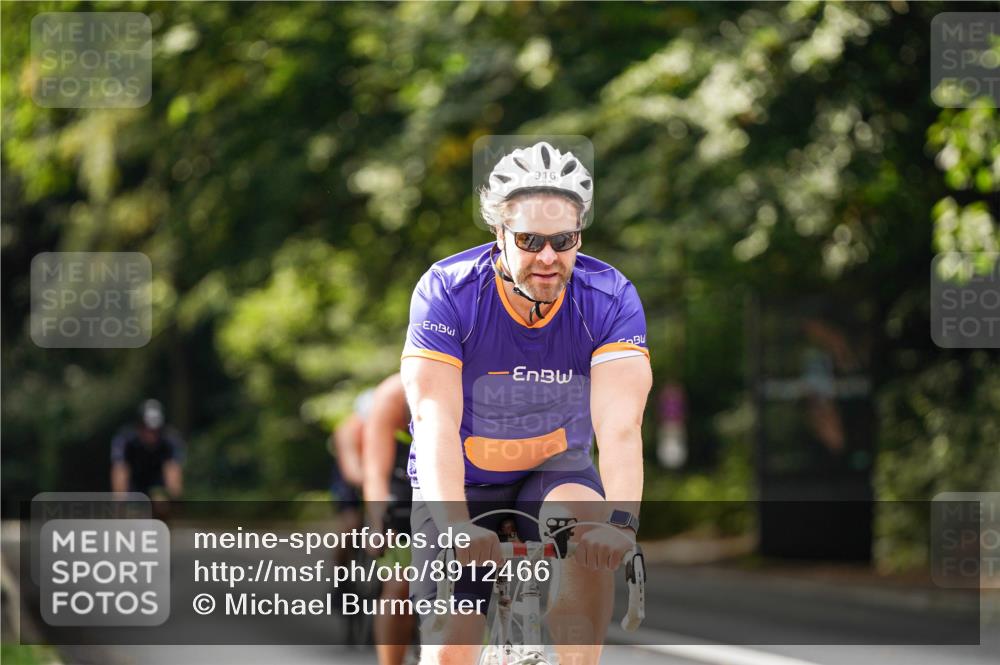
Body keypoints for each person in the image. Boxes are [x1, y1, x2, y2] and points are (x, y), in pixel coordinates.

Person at [400, 141, 652, 665]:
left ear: (579, 235)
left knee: (586, 518)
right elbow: (433, 417)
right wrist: (455, 526)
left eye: (563, 239)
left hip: (551, 468)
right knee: (451, 651)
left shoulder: (608, 297)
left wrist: (621, 522)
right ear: (498, 233)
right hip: (462, 476)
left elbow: (621, 423)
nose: (546, 256)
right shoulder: (448, 291)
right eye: (529, 239)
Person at [361, 373, 416, 665]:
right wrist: (377, 522)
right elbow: (375, 472)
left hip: (458, 469)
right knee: (400, 581)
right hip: (402, 474)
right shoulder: (392, 394)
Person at [111, 399, 184, 517]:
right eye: (147, 429)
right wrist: (119, 501)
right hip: (133, 485)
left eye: (155, 430)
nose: (151, 434)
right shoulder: (125, 440)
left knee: (161, 503)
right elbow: (120, 470)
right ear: (139, 426)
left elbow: (173, 471)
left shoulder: (170, 440)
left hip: (157, 484)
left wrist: (174, 498)